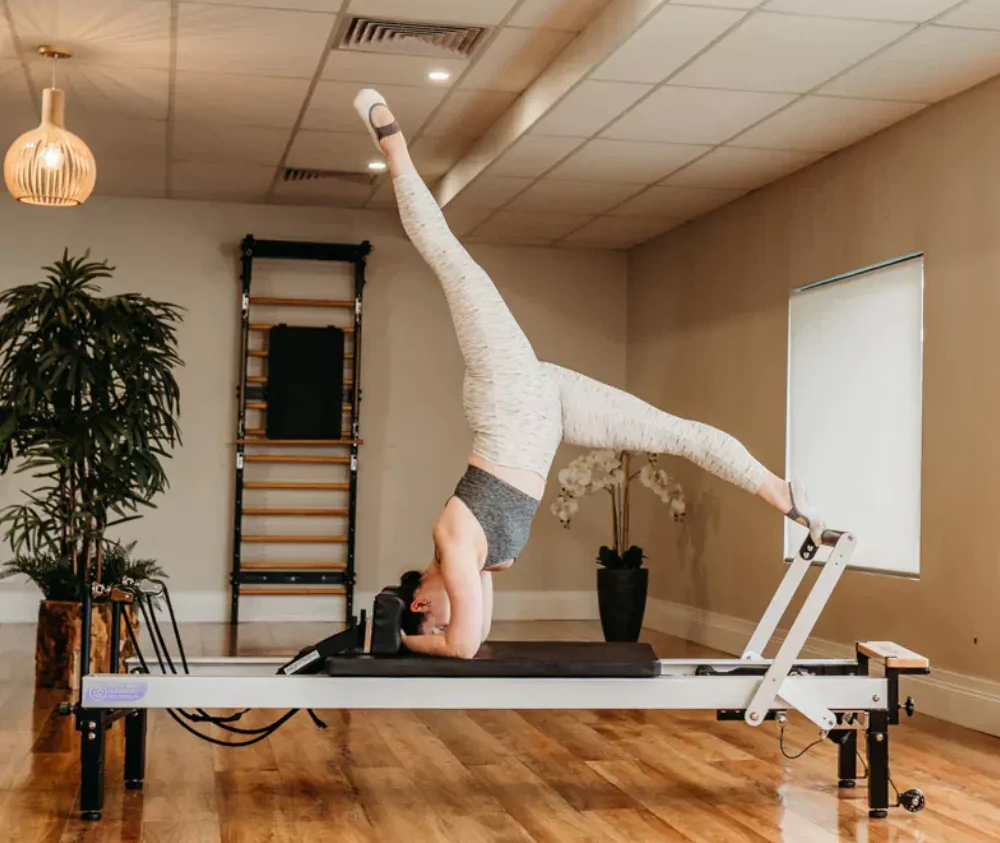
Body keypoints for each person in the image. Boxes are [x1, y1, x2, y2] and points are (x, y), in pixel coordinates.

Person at [352, 89, 826, 660]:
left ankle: (394, 144)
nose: (453, 610)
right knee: (674, 432)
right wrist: (419, 636)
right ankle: (781, 491)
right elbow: (475, 635)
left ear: (423, 604)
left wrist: (402, 643)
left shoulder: (453, 545)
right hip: (548, 410)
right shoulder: (473, 563)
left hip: (508, 395)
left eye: (431, 618)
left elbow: (461, 646)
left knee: (452, 260)